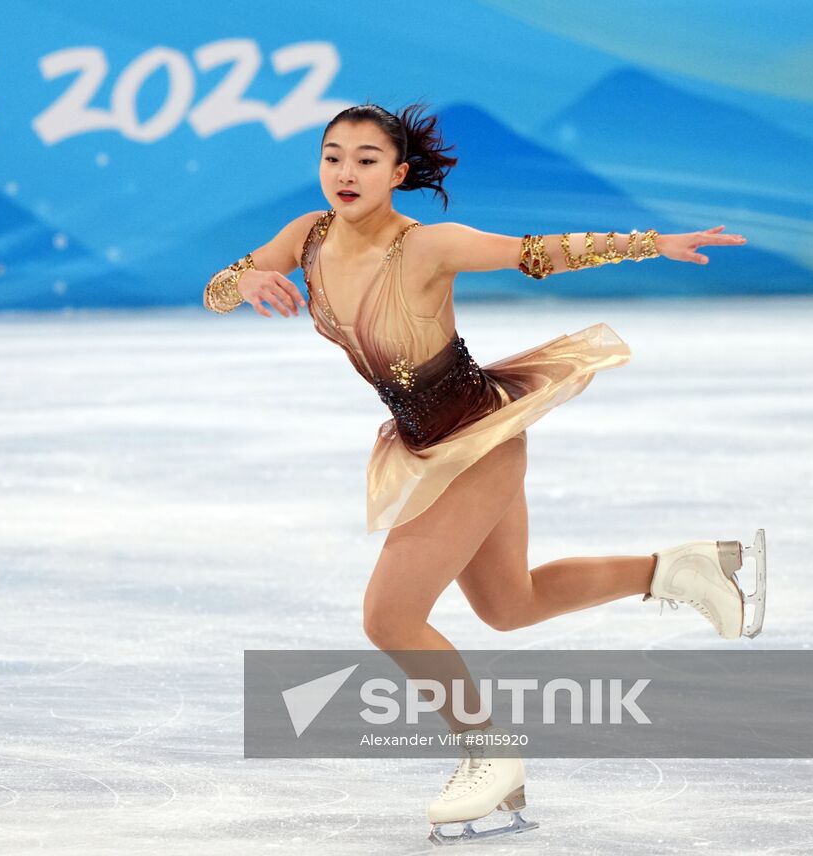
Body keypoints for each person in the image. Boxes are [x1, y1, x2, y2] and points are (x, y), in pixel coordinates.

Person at [202, 103, 765, 844]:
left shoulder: (430, 246)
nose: (345, 172)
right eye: (333, 155)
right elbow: (219, 286)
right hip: (424, 442)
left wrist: (651, 242)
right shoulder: (306, 236)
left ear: (398, 174)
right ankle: (683, 571)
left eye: (366, 159)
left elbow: (538, 252)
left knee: (389, 617)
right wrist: (241, 282)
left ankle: (487, 752)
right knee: (509, 603)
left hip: (479, 437)